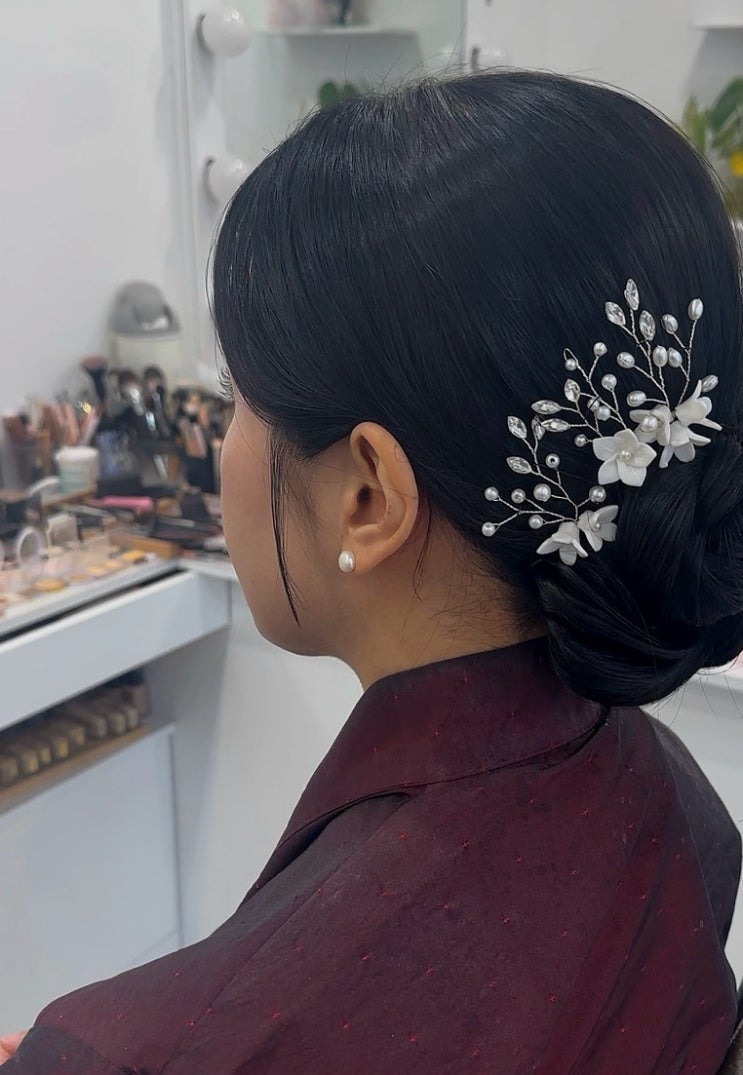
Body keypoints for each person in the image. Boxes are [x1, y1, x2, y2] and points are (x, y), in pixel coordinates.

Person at [4, 70, 742, 1073]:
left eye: (235, 393)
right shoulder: (676, 801)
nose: (221, 440)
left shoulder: (143, 1051)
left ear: (367, 495)